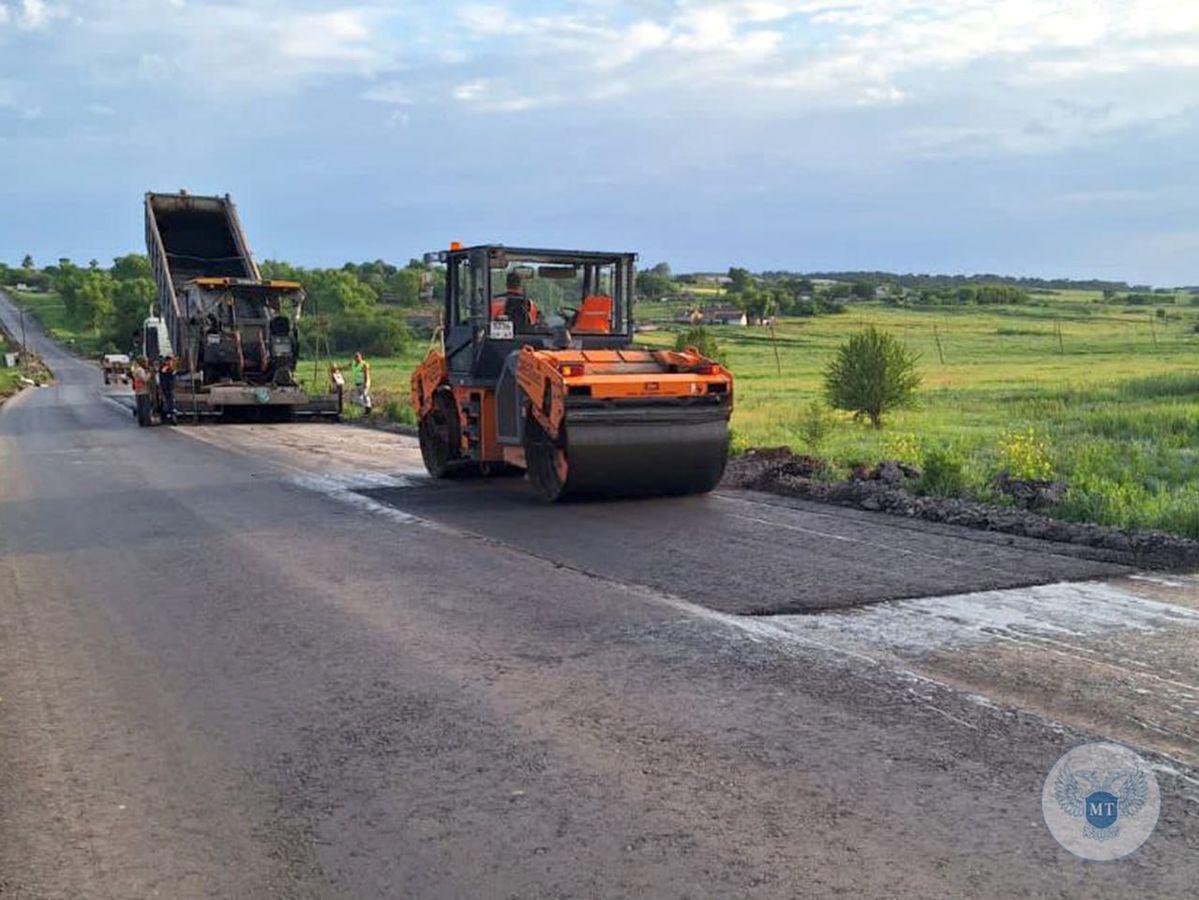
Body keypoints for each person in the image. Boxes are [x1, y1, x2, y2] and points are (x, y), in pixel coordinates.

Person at [157, 355, 177, 424]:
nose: (170, 362)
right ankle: (165, 415)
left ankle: (170, 415)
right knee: (166, 401)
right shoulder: (164, 368)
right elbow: (163, 376)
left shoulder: (171, 369)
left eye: (170, 361)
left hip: (170, 387)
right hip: (165, 388)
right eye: (168, 361)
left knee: (170, 401)